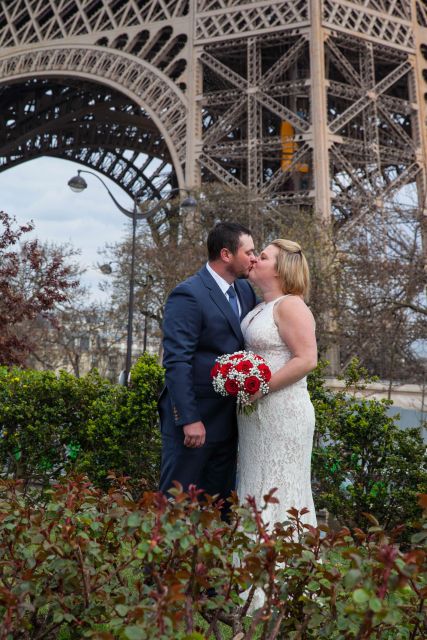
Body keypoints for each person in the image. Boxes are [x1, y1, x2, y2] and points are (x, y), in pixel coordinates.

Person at [158, 222, 258, 511]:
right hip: (195, 422)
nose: (254, 257)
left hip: (228, 421)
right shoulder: (188, 294)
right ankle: (164, 557)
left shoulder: (245, 291)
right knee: (176, 505)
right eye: (249, 251)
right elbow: (176, 360)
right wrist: (189, 418)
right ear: (226, 254)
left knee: (217, 509)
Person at [237, 239, 318, 528]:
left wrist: (261, 388)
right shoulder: (261, 306)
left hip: (283, 411)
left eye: (263, 257)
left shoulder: (291, 305)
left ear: (280, 270)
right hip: (255, 415)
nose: (255, 260)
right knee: (255, 483)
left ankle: (282, 565)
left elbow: (307, 359)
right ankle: (250, 563)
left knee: (279, 485)